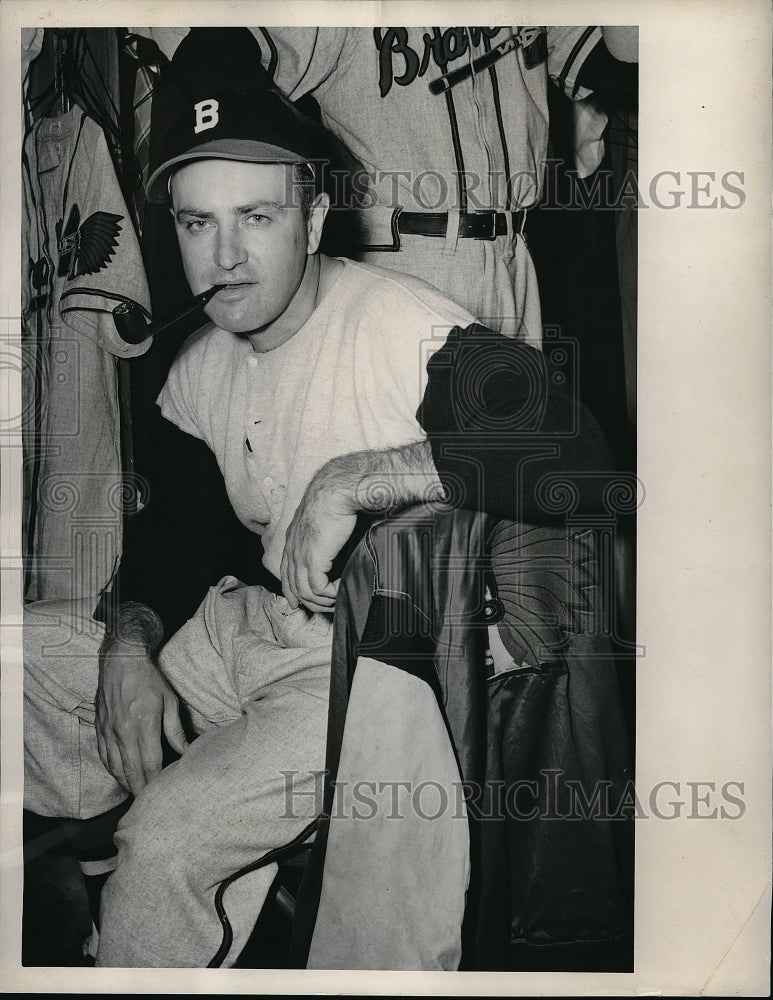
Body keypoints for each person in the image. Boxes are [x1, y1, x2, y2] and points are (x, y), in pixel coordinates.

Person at [23, 34, 614, 968]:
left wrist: (358, 478)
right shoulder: (198, 364)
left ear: (314, 213)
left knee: (165, 848)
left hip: (360, 668)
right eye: (195, 223)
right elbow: (178, 541)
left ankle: (144, 886)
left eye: (255, 217)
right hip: (243, 630)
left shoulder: (397, 325)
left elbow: (580, 455)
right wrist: (129, 643)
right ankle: (98, 819)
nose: (222, 257)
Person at [128, 26, 637, 346]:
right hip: (405, 256)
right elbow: (216, 52)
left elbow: (611, 63)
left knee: (504, 480)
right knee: (406, 488)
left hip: (517, 255)